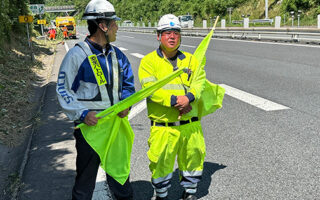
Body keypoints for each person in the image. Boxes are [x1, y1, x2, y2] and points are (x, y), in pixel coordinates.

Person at [56, 0, 135, 199]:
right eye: (114, 23)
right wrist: (82, 114)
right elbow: (63, 90)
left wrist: (126, 104)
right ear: (103, 25)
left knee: (120, 179)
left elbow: (128, 86)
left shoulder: (118, 56)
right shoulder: (77, 55)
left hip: (115, 129)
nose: (117, 26)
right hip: (90, 131)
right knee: (84, 185)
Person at [138, 14, 207, 200]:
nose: (172, 36)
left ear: (180, 36)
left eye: (176, 32)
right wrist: (177, 101)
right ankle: (161, 195)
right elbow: (150, 89)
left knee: (193, 160)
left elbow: (199, 82)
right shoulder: (148, 62)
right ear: (158, 35)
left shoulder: (192, 60)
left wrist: (190, 98)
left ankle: (190, 194)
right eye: (167, 32)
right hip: (163, 127)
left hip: (190, 125)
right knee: (161, 164)